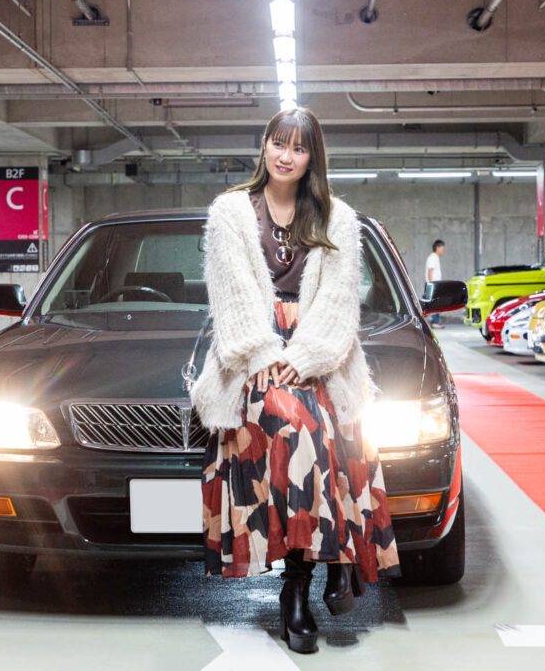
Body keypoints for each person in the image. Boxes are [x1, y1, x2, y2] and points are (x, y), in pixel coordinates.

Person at [190, 107, 400, 655]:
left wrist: (307, 356)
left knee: (328, 420)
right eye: (278, 143)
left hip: (320, 352)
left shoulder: (338, 217)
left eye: (299, 148)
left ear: (313, 158)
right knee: (298, 423)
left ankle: (302, 584)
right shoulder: (231, 212)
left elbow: (337, 303)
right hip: (252, 352)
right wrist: (261, 352)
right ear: (263, 146)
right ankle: (323, 568)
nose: (286, 156)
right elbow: (231, 292)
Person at [425, 239, 446, 329]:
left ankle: (433, 320)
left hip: (434, 284)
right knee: (435, 303)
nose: (443, 250)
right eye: (442, 248)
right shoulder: (433, 257)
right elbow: (430, 270)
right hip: (433, 285)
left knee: (435, 303)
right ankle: (434, 321)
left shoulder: (435, 257)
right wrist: (431, 284)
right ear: (437, 247)